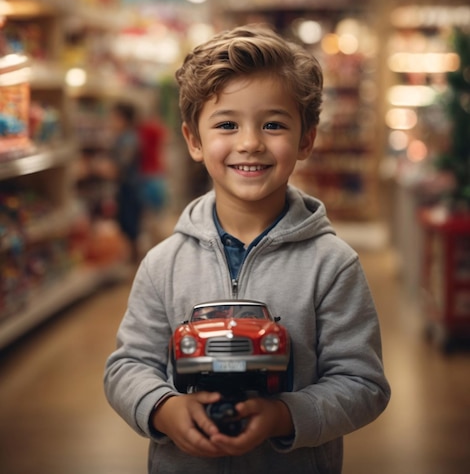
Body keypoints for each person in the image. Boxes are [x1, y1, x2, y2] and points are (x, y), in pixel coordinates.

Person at [104, 25, 391, 473]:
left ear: (306, 139)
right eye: (227, 124)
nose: (250, 142)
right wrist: (163, 408)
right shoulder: (163, 264)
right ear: (194, 140)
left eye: (273, 124)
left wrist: (284, 415)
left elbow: (364, 384)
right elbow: (128, 366)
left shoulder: (332, 265)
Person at [108, 101, 143, 262]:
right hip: (127, 187)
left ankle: (133, 261)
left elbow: (122, 165)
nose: (112, 121)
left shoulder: (128, 139)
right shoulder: (124, 137)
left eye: (114, 117)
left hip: (130, 188)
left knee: (130, 225)